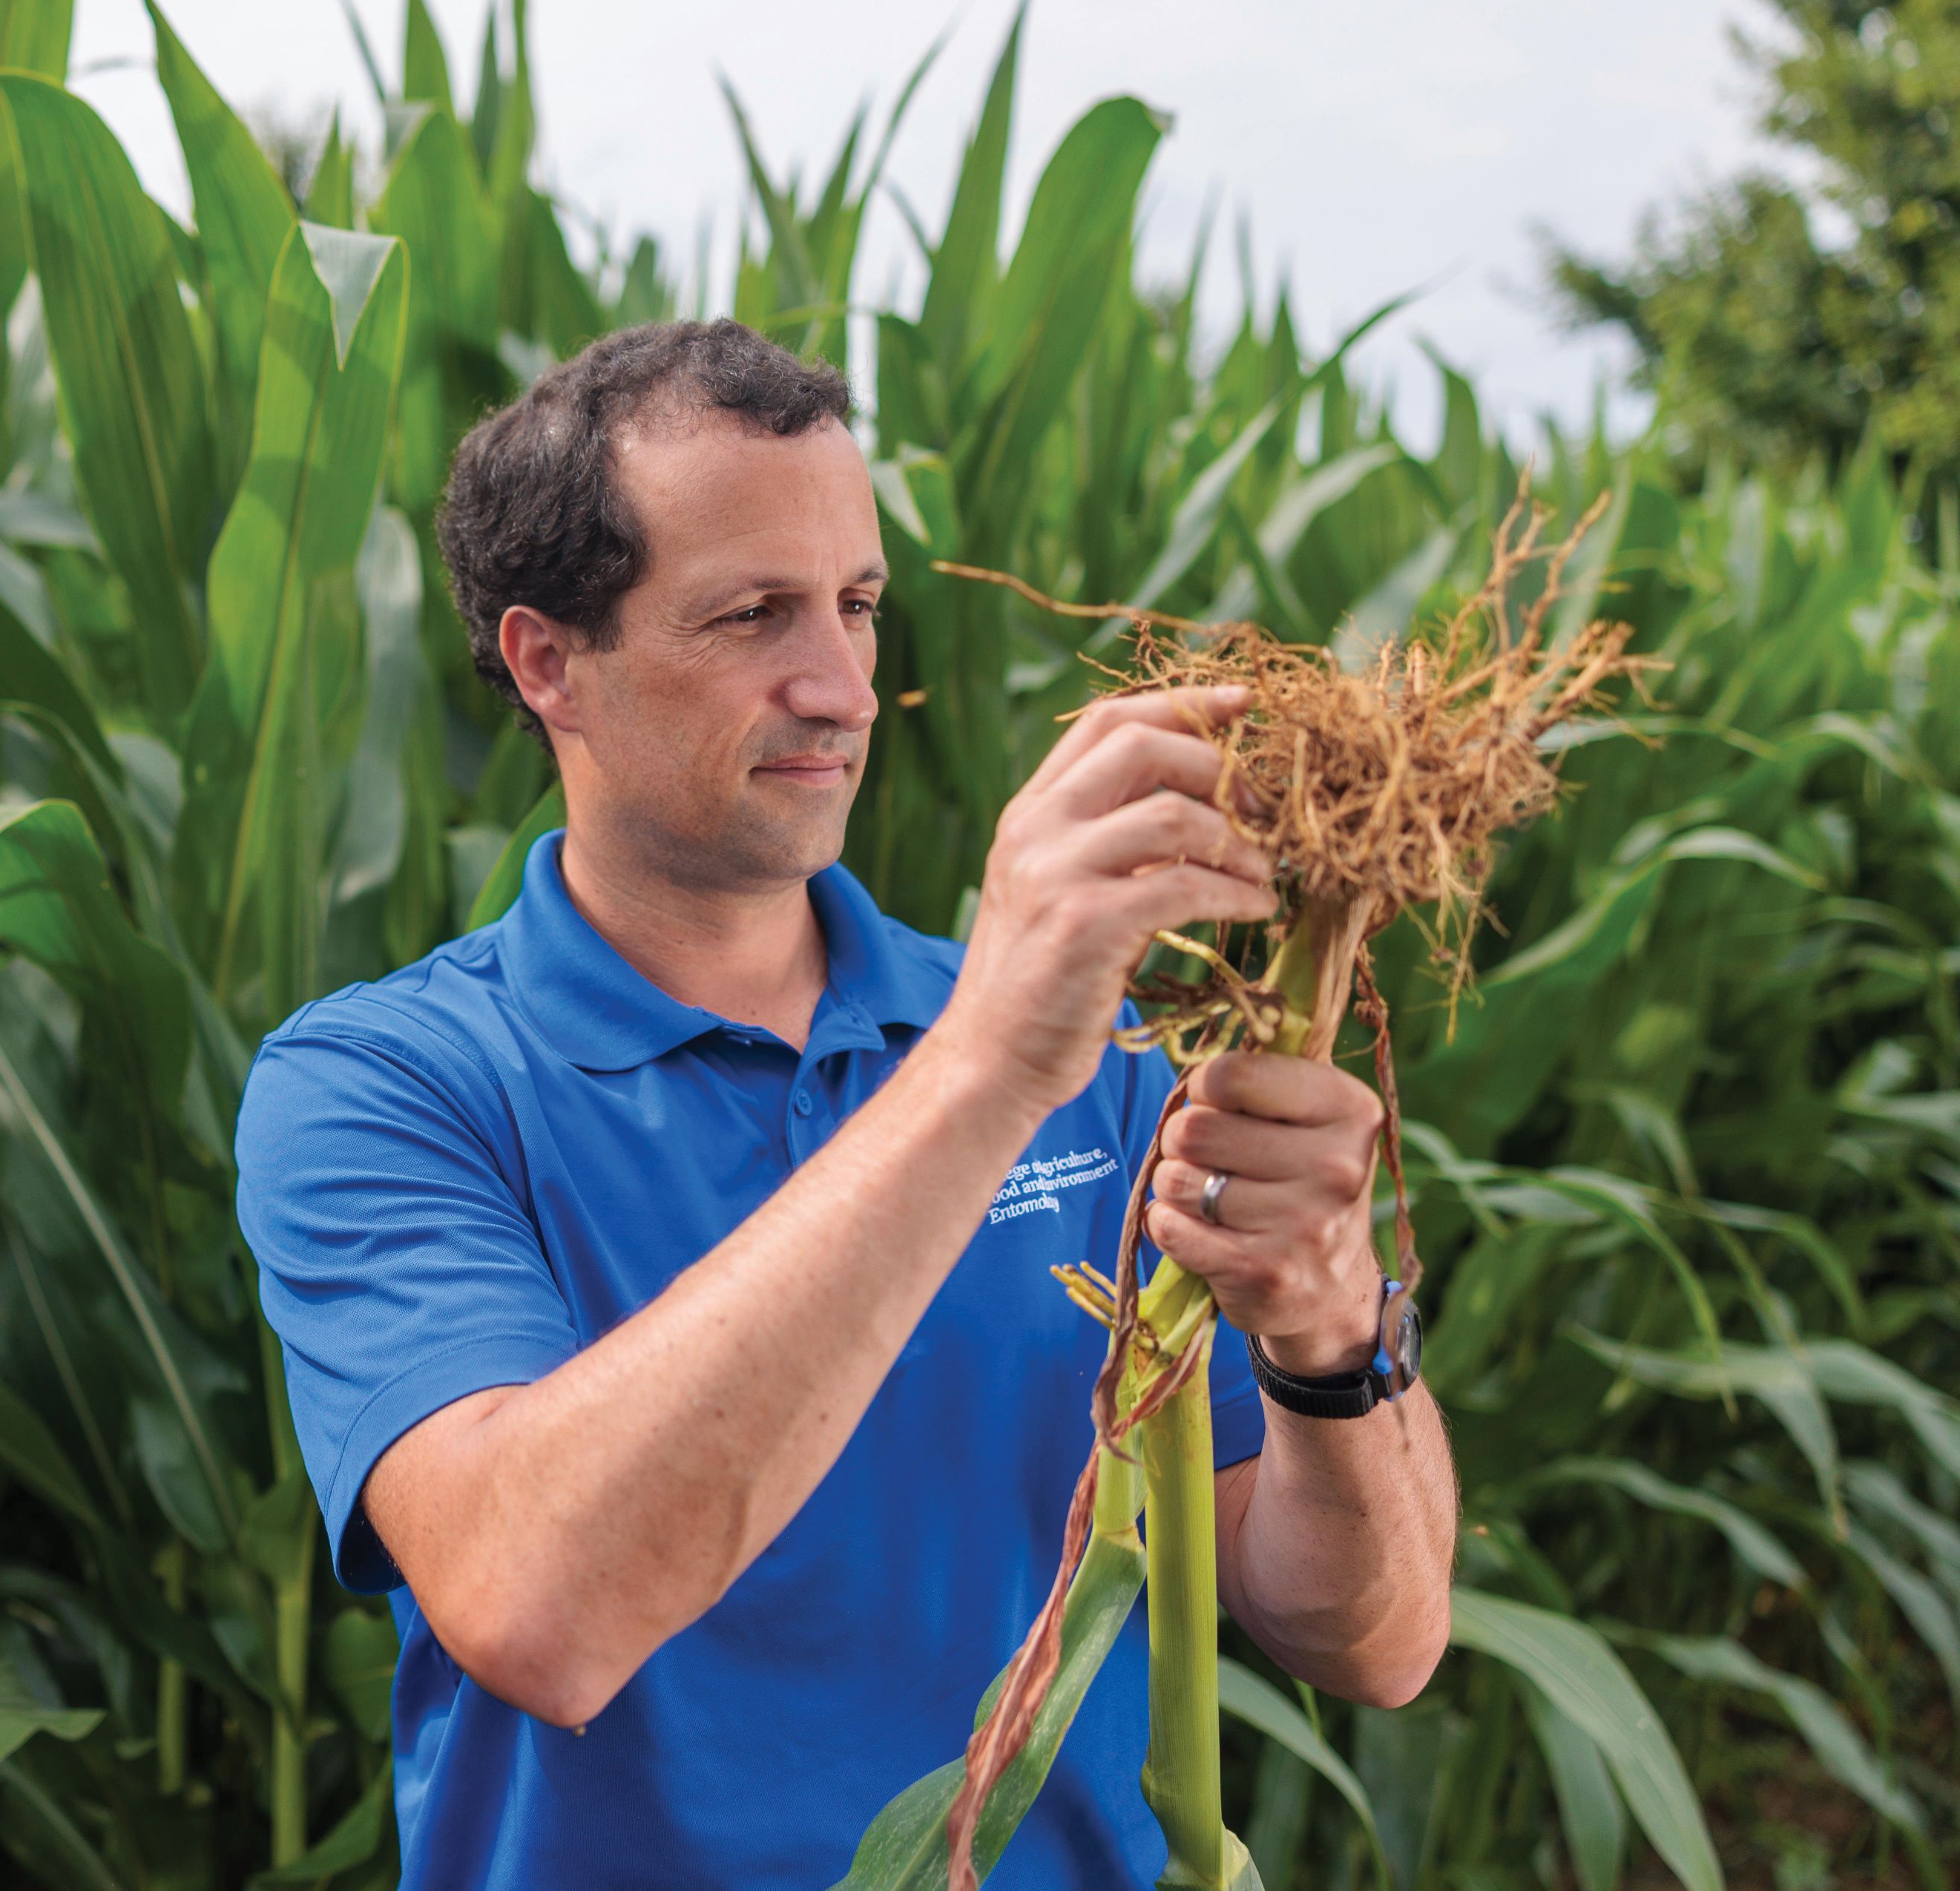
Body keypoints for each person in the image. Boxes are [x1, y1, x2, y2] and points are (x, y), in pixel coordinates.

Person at [234, 320, 1458, 1887]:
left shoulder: (1102, 1061)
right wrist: (986, 1059)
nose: (839, 686)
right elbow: (539, 1609)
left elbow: (1373, 1639)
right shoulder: (387, 1088)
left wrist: (1329, 1331)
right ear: (550, 662)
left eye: (856, 606)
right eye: (752, 615)